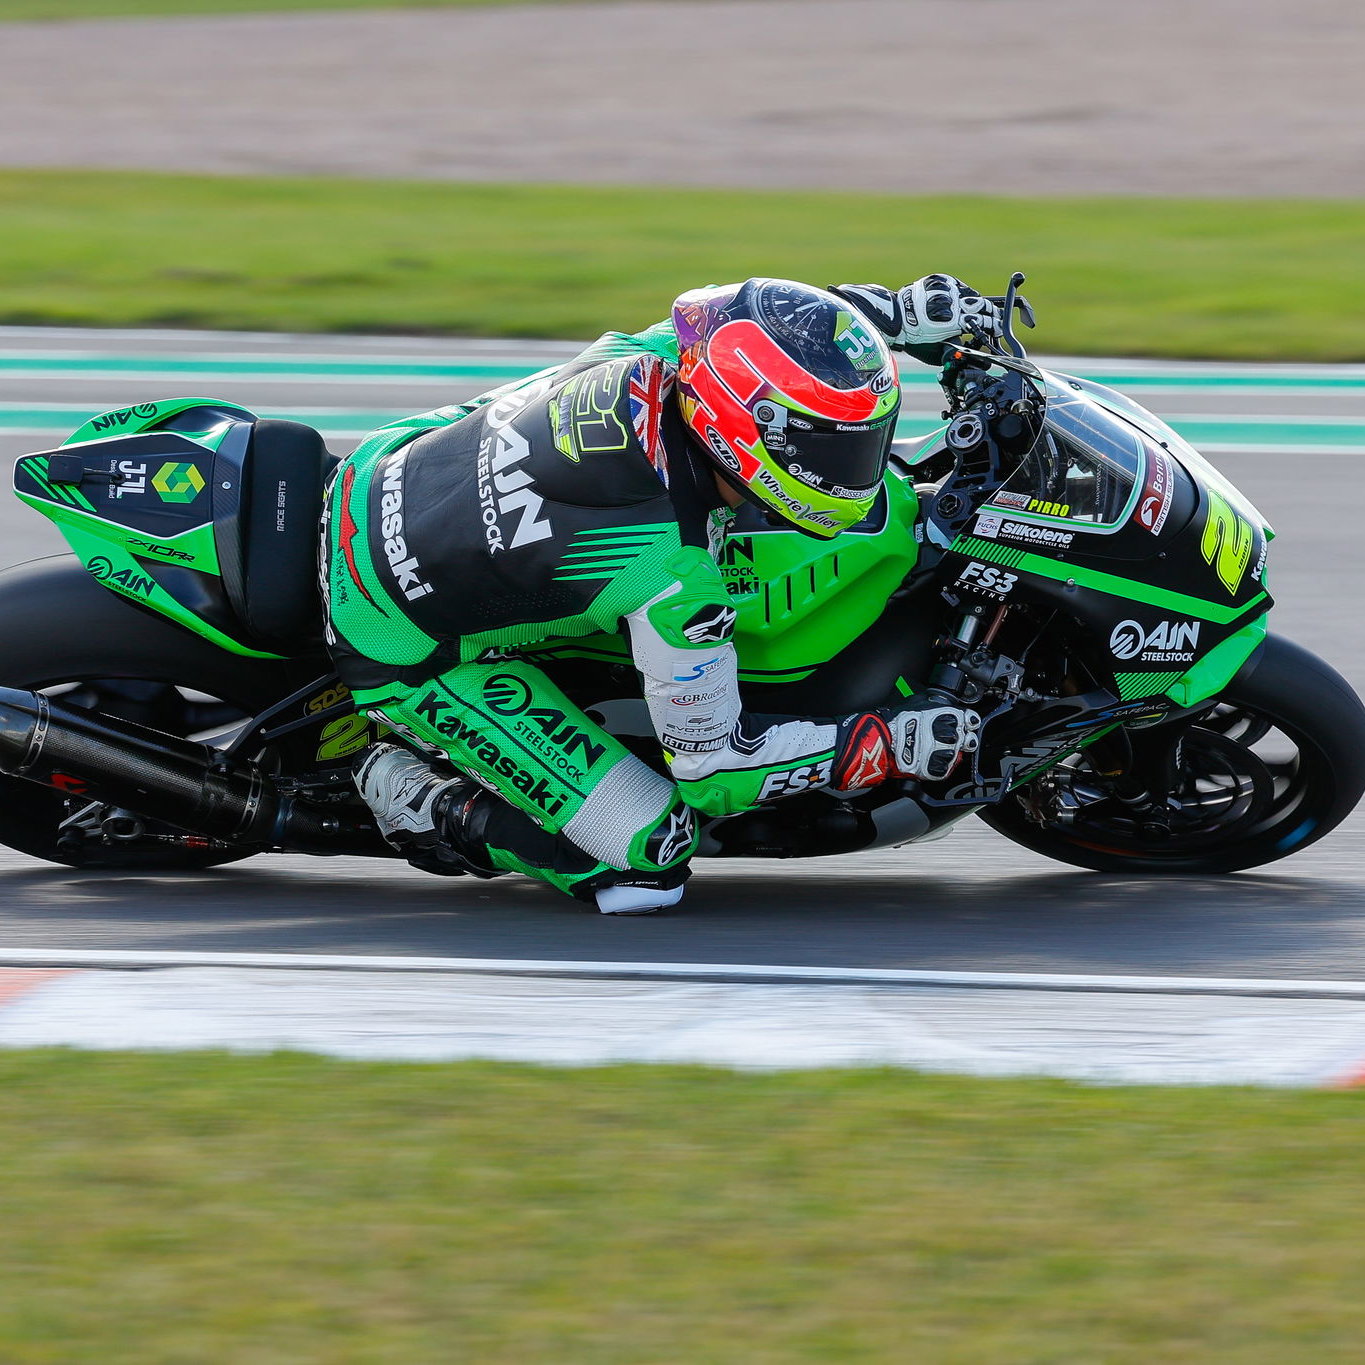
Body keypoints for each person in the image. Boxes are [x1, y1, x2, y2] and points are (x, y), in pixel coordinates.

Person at [322, 275, 1000, 914]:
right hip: (396, 635)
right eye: (838, 448)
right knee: (650, 857)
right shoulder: (674, 573)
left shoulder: (660, 358)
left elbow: (761, 326)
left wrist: (894, 312)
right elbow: (713, 767)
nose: (860, 465)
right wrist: (883, 740)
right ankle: (422, 800)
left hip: (379, 468)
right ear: (748, 434)